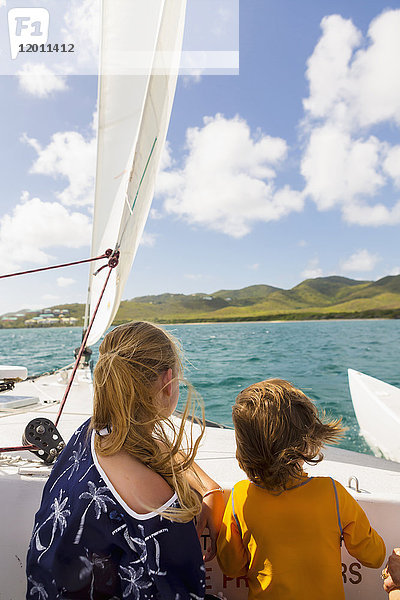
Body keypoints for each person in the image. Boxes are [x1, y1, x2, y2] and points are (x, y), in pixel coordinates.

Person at [26, 321, 225, 599]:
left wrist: (209, 487)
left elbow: (157, 445)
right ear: (168, 382)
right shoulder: (157, 502)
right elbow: (183, 590)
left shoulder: (90, 432)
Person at [217, 378, 386, 599]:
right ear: (306, 442)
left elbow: (231, 567)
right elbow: (374, 557)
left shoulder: (241, 496)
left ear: (244, 448)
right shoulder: (332, 493)